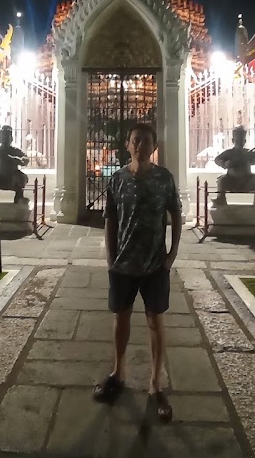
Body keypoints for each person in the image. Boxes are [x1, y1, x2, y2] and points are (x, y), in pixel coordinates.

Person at [92, 122, 182, 423]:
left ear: (153, 146)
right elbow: (110, 218)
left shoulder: (163, 178)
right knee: (121, 318)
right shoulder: (117, 179)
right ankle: (118, 373)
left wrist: (173, 252)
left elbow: (176, 213)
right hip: (123, 263)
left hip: (155, 263)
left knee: (155, 321)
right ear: (128, 145)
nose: (140, 145)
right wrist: (109, 254)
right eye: (135, 140)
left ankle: (156, 383)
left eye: (145, 141)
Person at [214, 125, 255, 206]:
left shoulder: (247, 153)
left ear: (244, 141)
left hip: (247, 181)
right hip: (231, 181)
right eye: (237, 140)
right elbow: (217, 159)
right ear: (233, 140)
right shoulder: (229, 153)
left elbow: (253, 160)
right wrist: (225, 164)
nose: (239, 142)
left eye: (241, 140)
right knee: (221, 180)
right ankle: (221, 199)